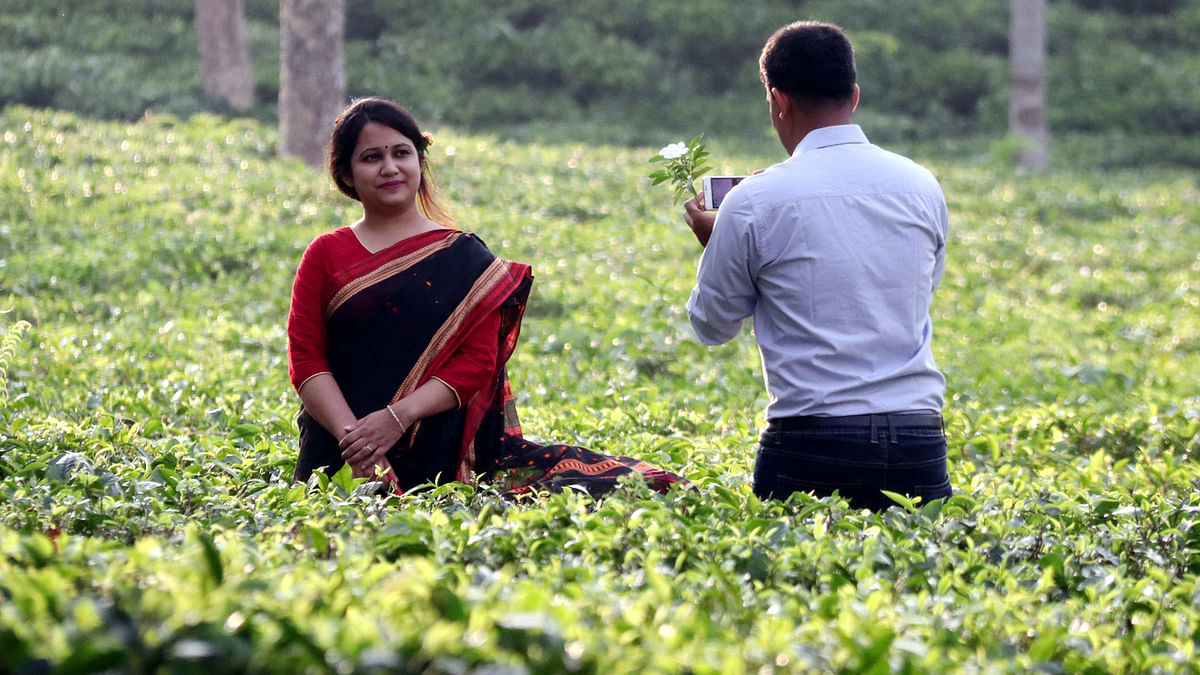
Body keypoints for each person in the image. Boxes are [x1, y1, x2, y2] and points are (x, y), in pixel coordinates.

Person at [288, 96, 682, 496]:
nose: (390, 168)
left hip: (439, 452)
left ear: (419, 162)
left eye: (401, 153)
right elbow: (306, 360)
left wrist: (396, 418)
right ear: (347, 174)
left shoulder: (464, 256)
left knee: (639, 488)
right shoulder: (325, 254)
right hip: (338, 451)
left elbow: (477, 362)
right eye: (371, 157)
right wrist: (359, 443)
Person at [680, 21, 951, 510]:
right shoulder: (922, 186)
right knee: (921, 581)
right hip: (919, 440)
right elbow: (915, 293)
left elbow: (712, 327)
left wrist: (716, 245)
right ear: (855, 95)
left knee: (797, 581)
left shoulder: (753, 200)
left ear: (779, 100)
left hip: (810, 443)